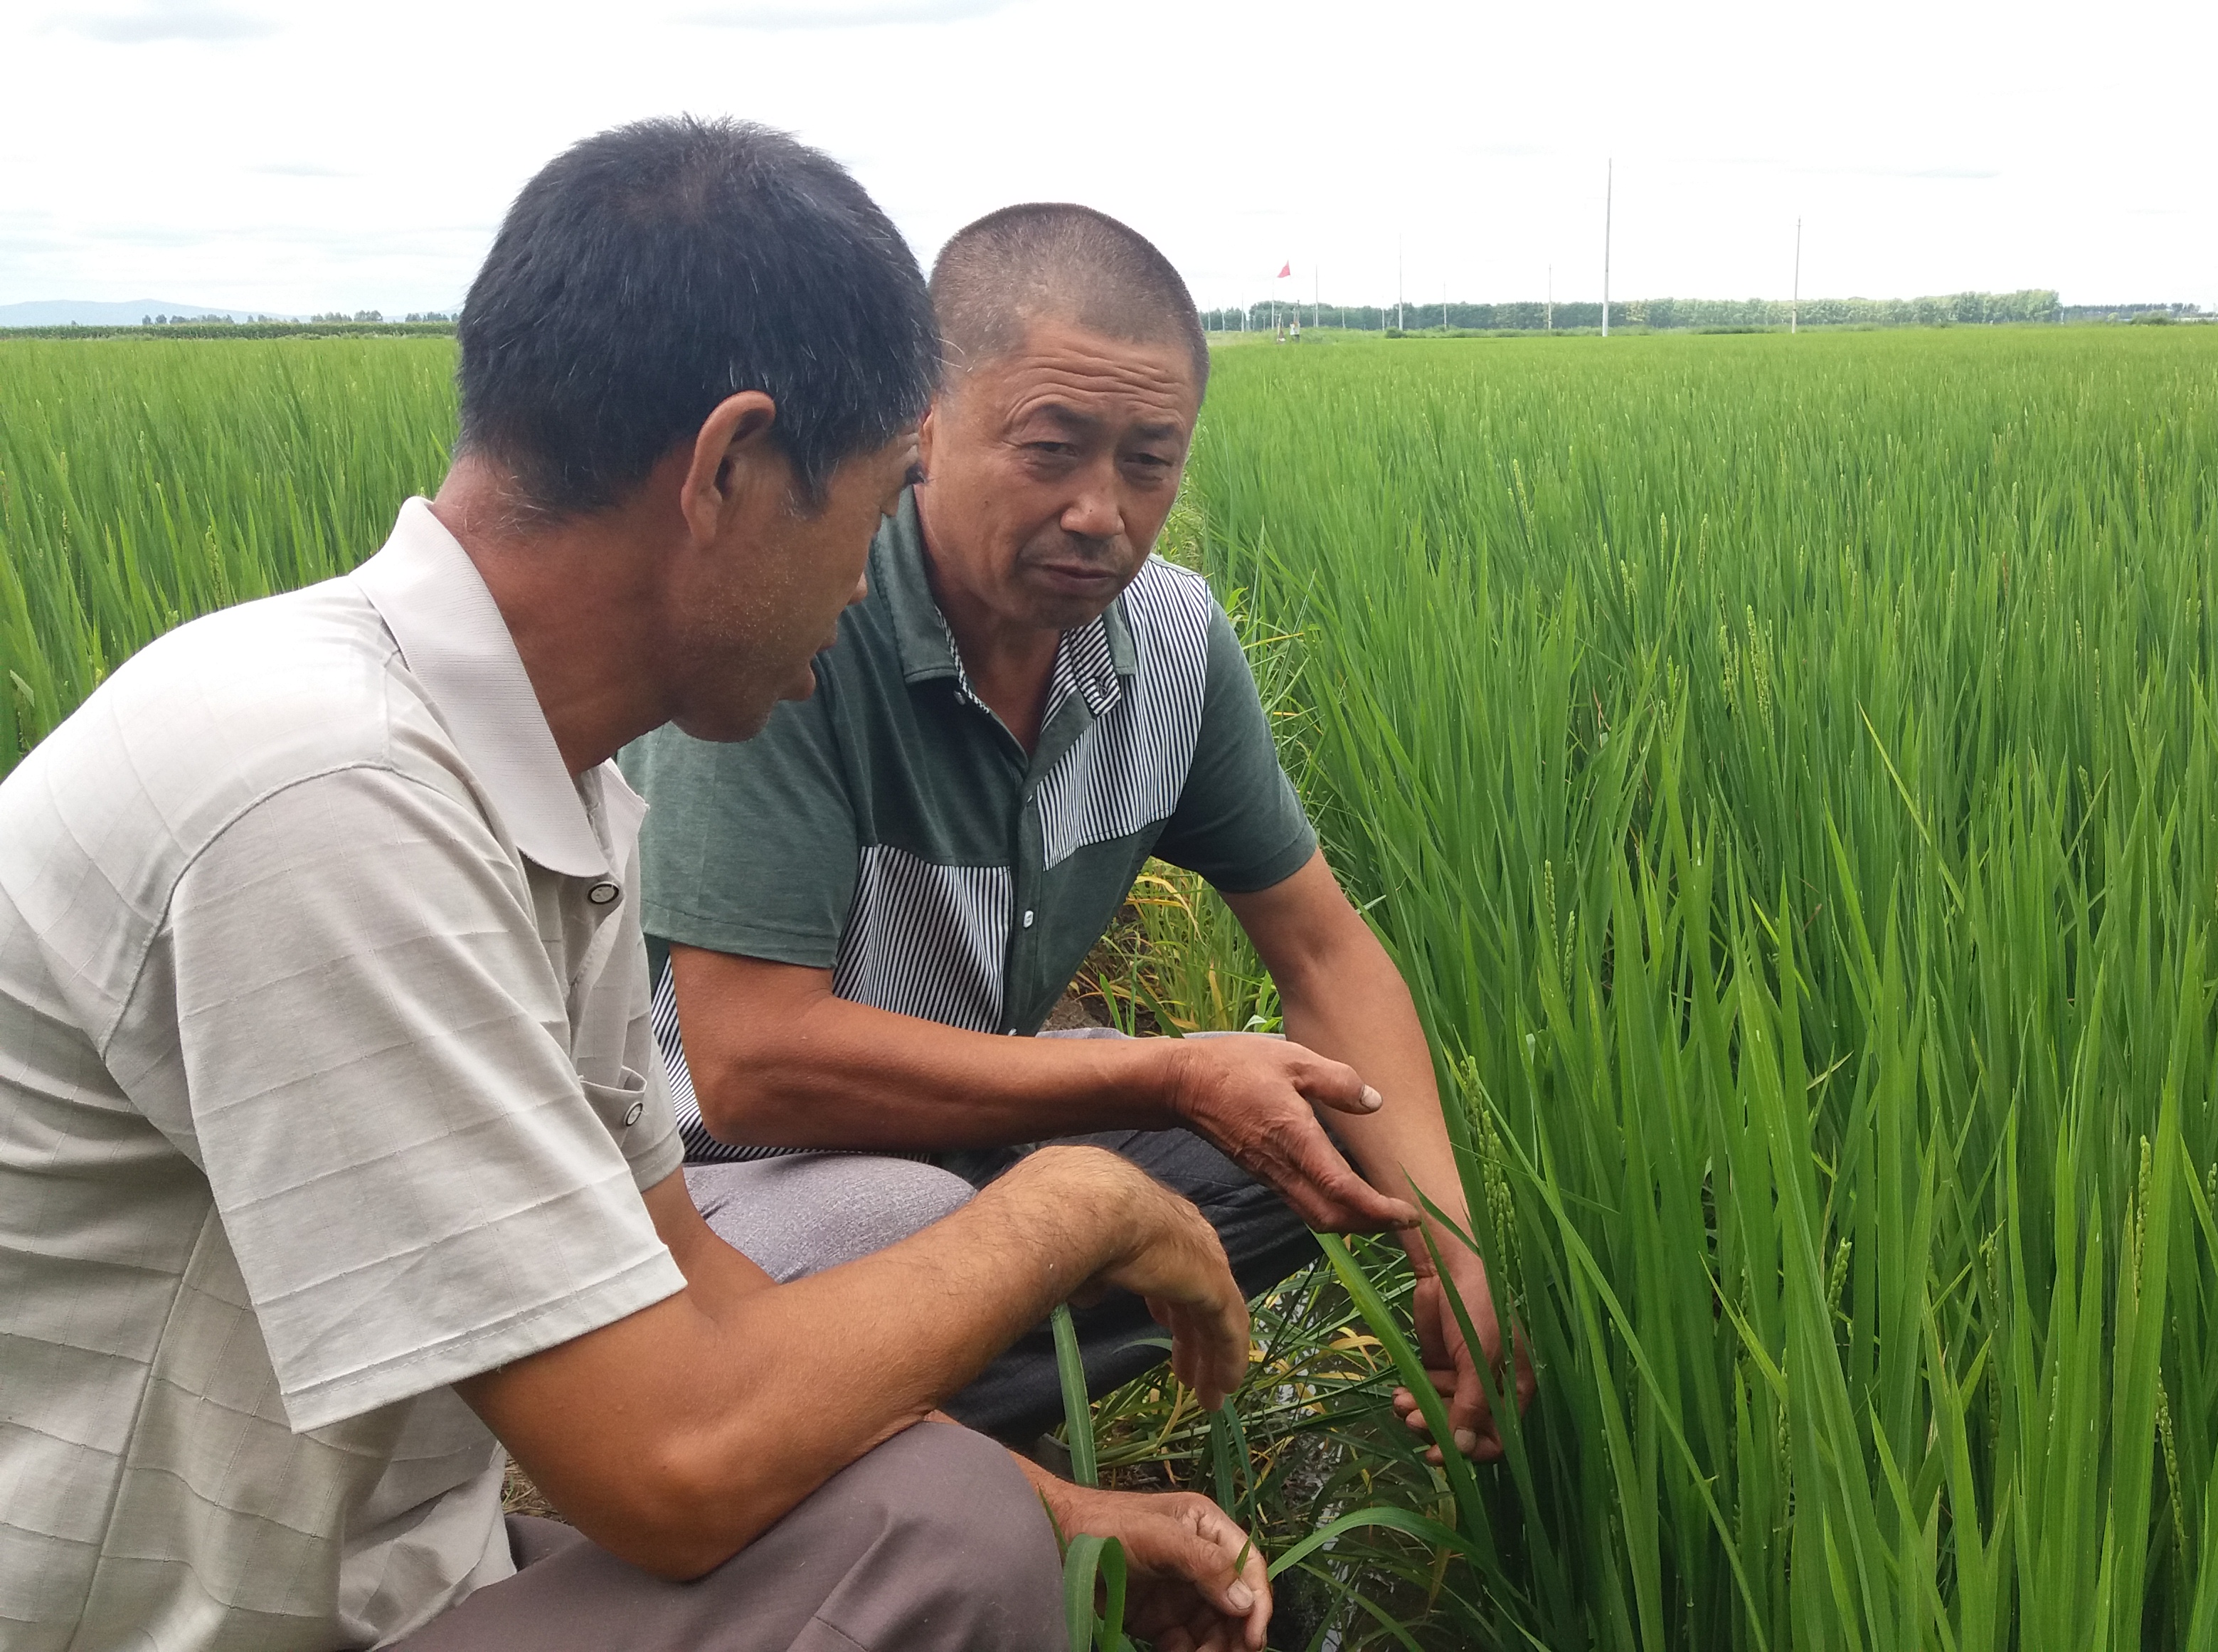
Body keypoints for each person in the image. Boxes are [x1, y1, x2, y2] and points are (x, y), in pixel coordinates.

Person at [0, 120, 1272, 1652]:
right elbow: (671, 1467)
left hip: (406, 1571)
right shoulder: (323, 798)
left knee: (956, 1521)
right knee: (941, 1553)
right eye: (871, 512)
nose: (869, 582)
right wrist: (1075, 1201)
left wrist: (1073, 1517)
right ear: (731, 469)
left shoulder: (549, 790)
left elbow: (693, 1289)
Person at [623, 203, 1529, 1462]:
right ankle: (870, 1460)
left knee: (1327, 1134)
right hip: (725, 1181)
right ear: (925, 425)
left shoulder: (1169, 641)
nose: (1102, 511)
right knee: (910, 1215)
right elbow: (749, 1061)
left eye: (1148, 462)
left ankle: (930, 1414)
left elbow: (1322, 953)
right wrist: (1162, 1074)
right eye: (1053, 449)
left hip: (968, 1128)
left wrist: (1448, 1233)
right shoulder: (803, 621)